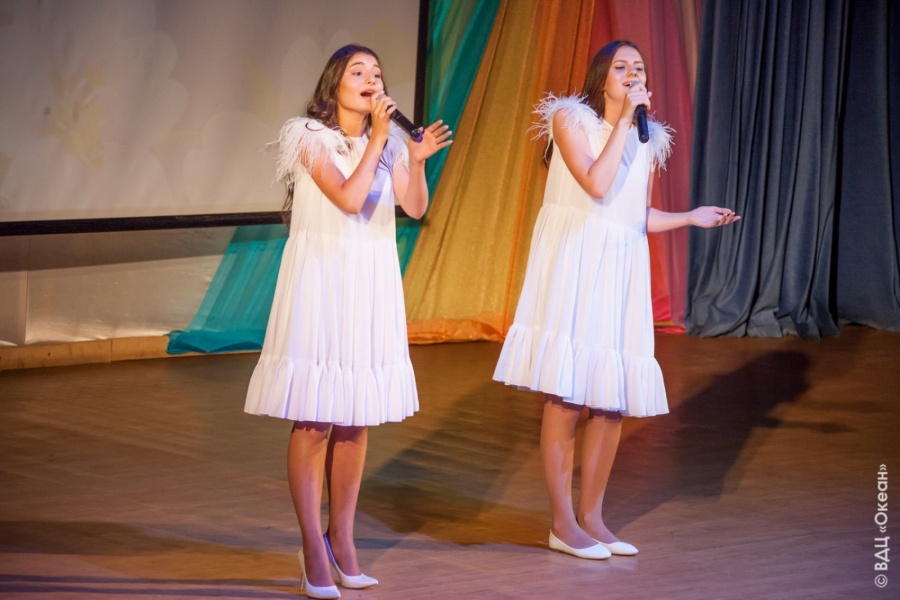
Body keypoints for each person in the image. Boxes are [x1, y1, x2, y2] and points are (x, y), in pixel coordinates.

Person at [493, 40, 739, 560]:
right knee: (567, 394)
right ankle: (562, 524)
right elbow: (597, 185)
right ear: (601, 76)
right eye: (621, 66)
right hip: (576, 261)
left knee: (610, 400)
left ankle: (593, 519)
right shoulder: (569, 118)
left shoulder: (648, 138)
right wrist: (625, 120)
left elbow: (633, 214)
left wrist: (690, 217)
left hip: (621, 266)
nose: (632, 74)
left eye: (639, 68)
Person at [244, 44, 452, 598]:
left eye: (377, 72)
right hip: (322, 281)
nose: (371, 79)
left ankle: (342, 538)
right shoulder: (309, 136)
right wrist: (380, 141)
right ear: (334, 82)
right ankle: (312, 546)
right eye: (358, 71)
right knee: (315, 419)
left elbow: (414, 207)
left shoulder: (385, 142)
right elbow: (348, 198)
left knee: (355, 419)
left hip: (369, 281)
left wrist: (416, 160)